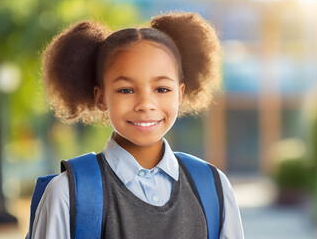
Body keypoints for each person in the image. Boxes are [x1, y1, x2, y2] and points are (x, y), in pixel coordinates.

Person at [30, 12, 244, 239]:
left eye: (162, 89)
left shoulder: (213, 186)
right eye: (126, 90)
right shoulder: (68, 193)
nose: (145, 104)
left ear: (180, 94)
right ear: (101, 97)